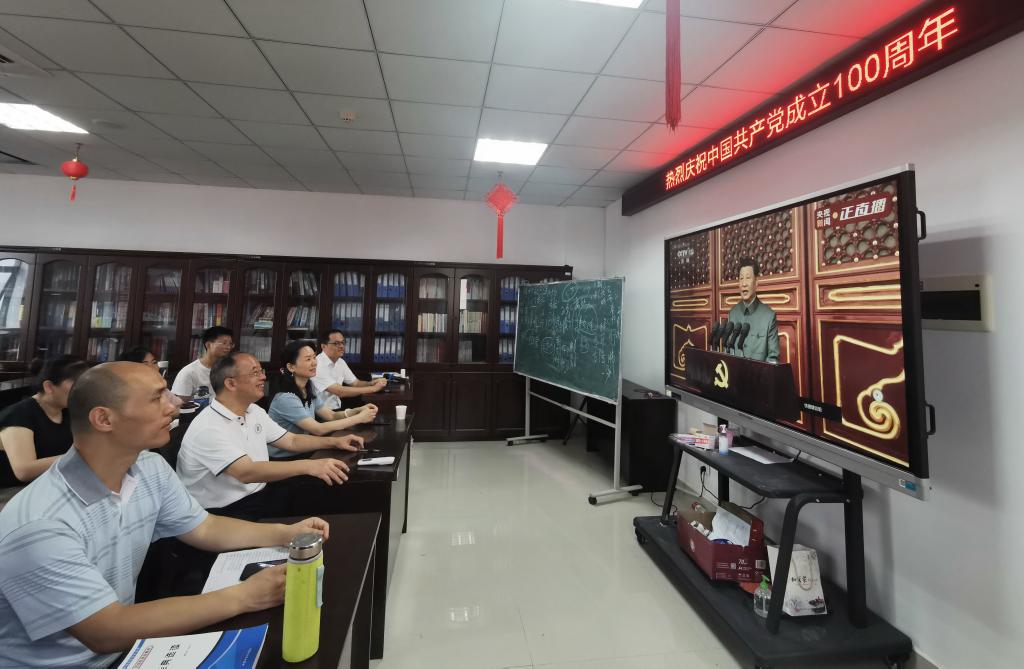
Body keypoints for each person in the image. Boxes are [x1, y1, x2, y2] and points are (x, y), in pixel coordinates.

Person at [0, 361, 331, 668]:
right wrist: (245, 596)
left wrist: (284, 533)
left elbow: (204, 528)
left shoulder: (148, 467)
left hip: (129, 649)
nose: (173, 406)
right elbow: (105, 630)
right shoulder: (41, 523)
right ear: (104, 419)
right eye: (157, 398)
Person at [176, 351, 363, 520]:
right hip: (223, 512)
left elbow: (291, 440)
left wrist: (334, 442)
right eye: (255, 373)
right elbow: (246, 472)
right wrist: (309, 465)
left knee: (330, 499)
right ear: (231, 383)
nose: (263, 377)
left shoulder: (253, 410)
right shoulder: (208, 427)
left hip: (260, 492)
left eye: (261, 371)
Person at [268, 340, 378, 459]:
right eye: (308, 359)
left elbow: (331, 415)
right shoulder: (286, 398)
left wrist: (357, 410)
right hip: (283, 458)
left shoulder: (308, 386)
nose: (314, 363)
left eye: (314, 357)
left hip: (304, 451)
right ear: (291, 367)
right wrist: (359, 418)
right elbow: (318, 429)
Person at [0, 355, 88, 486]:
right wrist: (79, 457)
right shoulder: (18, 415)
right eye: (76, 386)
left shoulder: (68, 411)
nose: (83, 393)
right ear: (49, 387)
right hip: (13, 490)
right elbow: (24, 471)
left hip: (49, 484)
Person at [314, 329, 387, 410]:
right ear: (323, 346)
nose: (341, 346)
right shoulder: (317, 365)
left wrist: (371, 383)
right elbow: (340, 391)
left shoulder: (340, 362)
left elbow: (355, 383)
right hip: (320, 413)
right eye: (336, 343)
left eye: (343, 342)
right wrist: (373, 389)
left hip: (336, 409)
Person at [726, 258, 780, 363]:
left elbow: (773, 359)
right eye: (741, 278)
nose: (744, 283)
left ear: (756, 282)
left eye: (748, 278)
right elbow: (728, 352)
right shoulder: (732, 313)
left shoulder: (769, 316)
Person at [171, 325, 234, 401]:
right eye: (224, 343)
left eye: (230, 344)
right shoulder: (189, 372)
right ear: (208, 345)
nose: (228, 347)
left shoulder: (228, 370)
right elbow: (179, 403)